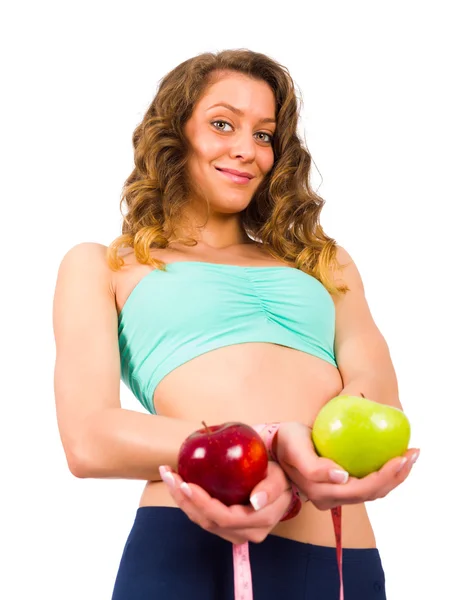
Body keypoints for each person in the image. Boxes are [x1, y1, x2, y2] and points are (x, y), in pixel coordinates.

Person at [52, 49, 419, 599]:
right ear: (176, 134)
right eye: (223, 124)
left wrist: (294, 459)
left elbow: (379, 403)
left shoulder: (323, 262)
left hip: (338, 556)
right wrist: (267, 448)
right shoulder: (105, 265)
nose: (247, 150)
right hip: (186, 545)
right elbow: (89, 438)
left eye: (265, 135)